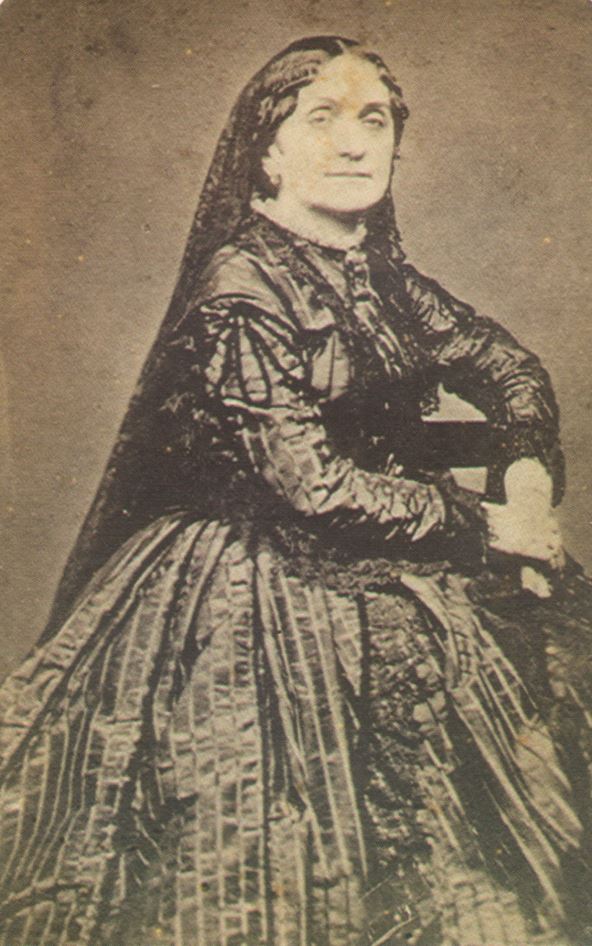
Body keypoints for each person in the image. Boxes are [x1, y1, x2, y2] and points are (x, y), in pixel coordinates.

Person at [1, 35, 591, 946]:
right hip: (252, 600)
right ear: (267, 153)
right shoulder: (241, 287)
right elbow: (308, 485)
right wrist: (491, 529)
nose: (354, 144)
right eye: (323, 119)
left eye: (375, 121)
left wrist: (522, 480)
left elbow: (511, 370)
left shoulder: (378, 274)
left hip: (403, 564)